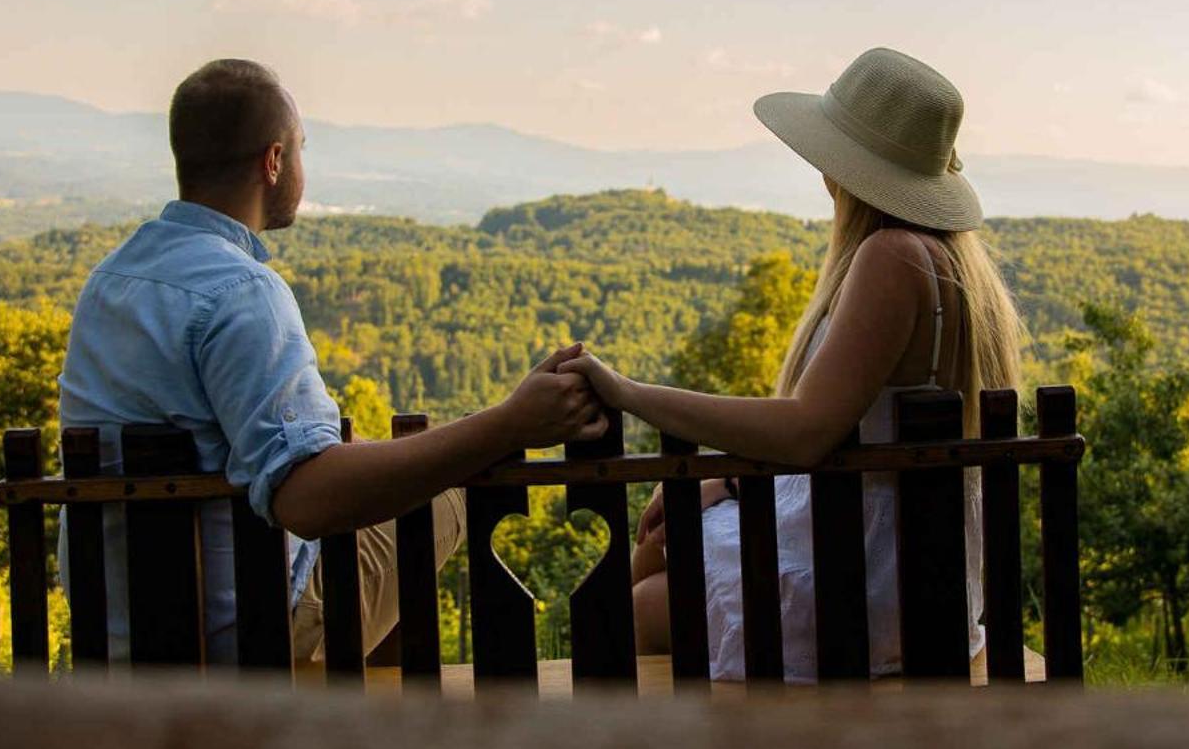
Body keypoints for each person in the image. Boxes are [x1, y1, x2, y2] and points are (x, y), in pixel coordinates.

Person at [58, 58, 606, 664]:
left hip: (121, 639)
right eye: (299, 150)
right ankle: (344, 718)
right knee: (441, 498)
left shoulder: (110, 280)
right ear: (272, 162)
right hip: (245, 637)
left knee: (382, 485)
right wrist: (511, 424)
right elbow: (307, 500)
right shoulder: (241, 291)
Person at [566, 47, 1024, 680]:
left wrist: (629, 392)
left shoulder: (891, 255)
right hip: (914, 574)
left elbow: (806, 429)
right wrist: (723, 483)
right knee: (655, 547)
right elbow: (849, 430)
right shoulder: (955, 265)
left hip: (864, 589)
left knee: (627, 607)